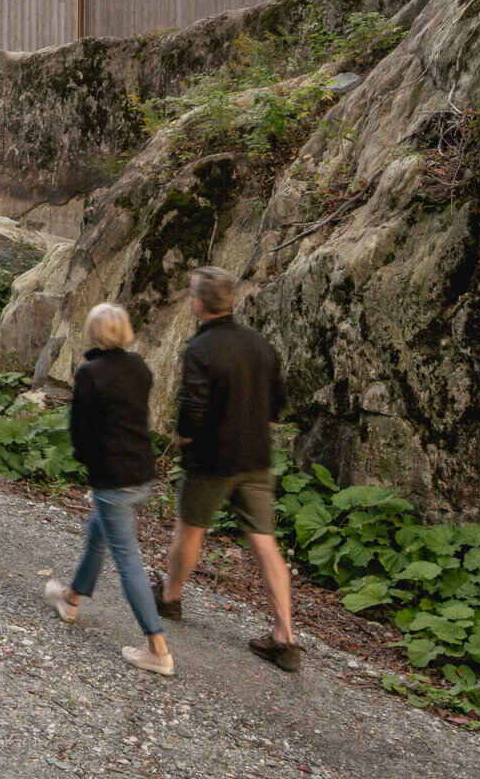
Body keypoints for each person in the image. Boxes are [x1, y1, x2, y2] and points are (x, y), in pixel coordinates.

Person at [158, 265, 301, 671]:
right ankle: (284, 636)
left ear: (199, 304)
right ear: (231, 301)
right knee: (264, 541)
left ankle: (170, 597)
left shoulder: (200, 350)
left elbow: (192, 407)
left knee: (190, 528)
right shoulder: (259, 343)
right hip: (255, 457)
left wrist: (185, 439)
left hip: (211, 459)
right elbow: (278, 401)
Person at [43, 302, 172, 676]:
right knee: (97, 532)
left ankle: (158, 648)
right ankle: (71, 598)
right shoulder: (140, 368)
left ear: (94, 331)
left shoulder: (90, 373)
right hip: (142, 471)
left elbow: (79, 428)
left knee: (128, 558)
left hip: (111, 477)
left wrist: (85, 460)